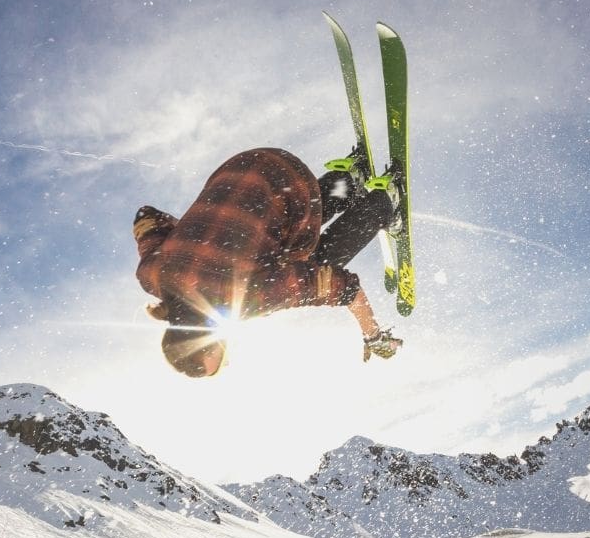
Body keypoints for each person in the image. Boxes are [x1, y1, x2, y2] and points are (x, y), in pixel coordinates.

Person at [134, 147, 404, 377]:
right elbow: (145, 216)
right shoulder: (151, 275)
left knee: (313, 262)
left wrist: (373, 336)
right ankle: (347, 180)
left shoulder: (246, 298)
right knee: (271, 236)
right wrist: (203, 238)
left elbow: (342, 288)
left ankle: (382, 203)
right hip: (245, 165)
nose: (228, 360)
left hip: (296, 182)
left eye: (220, 358)